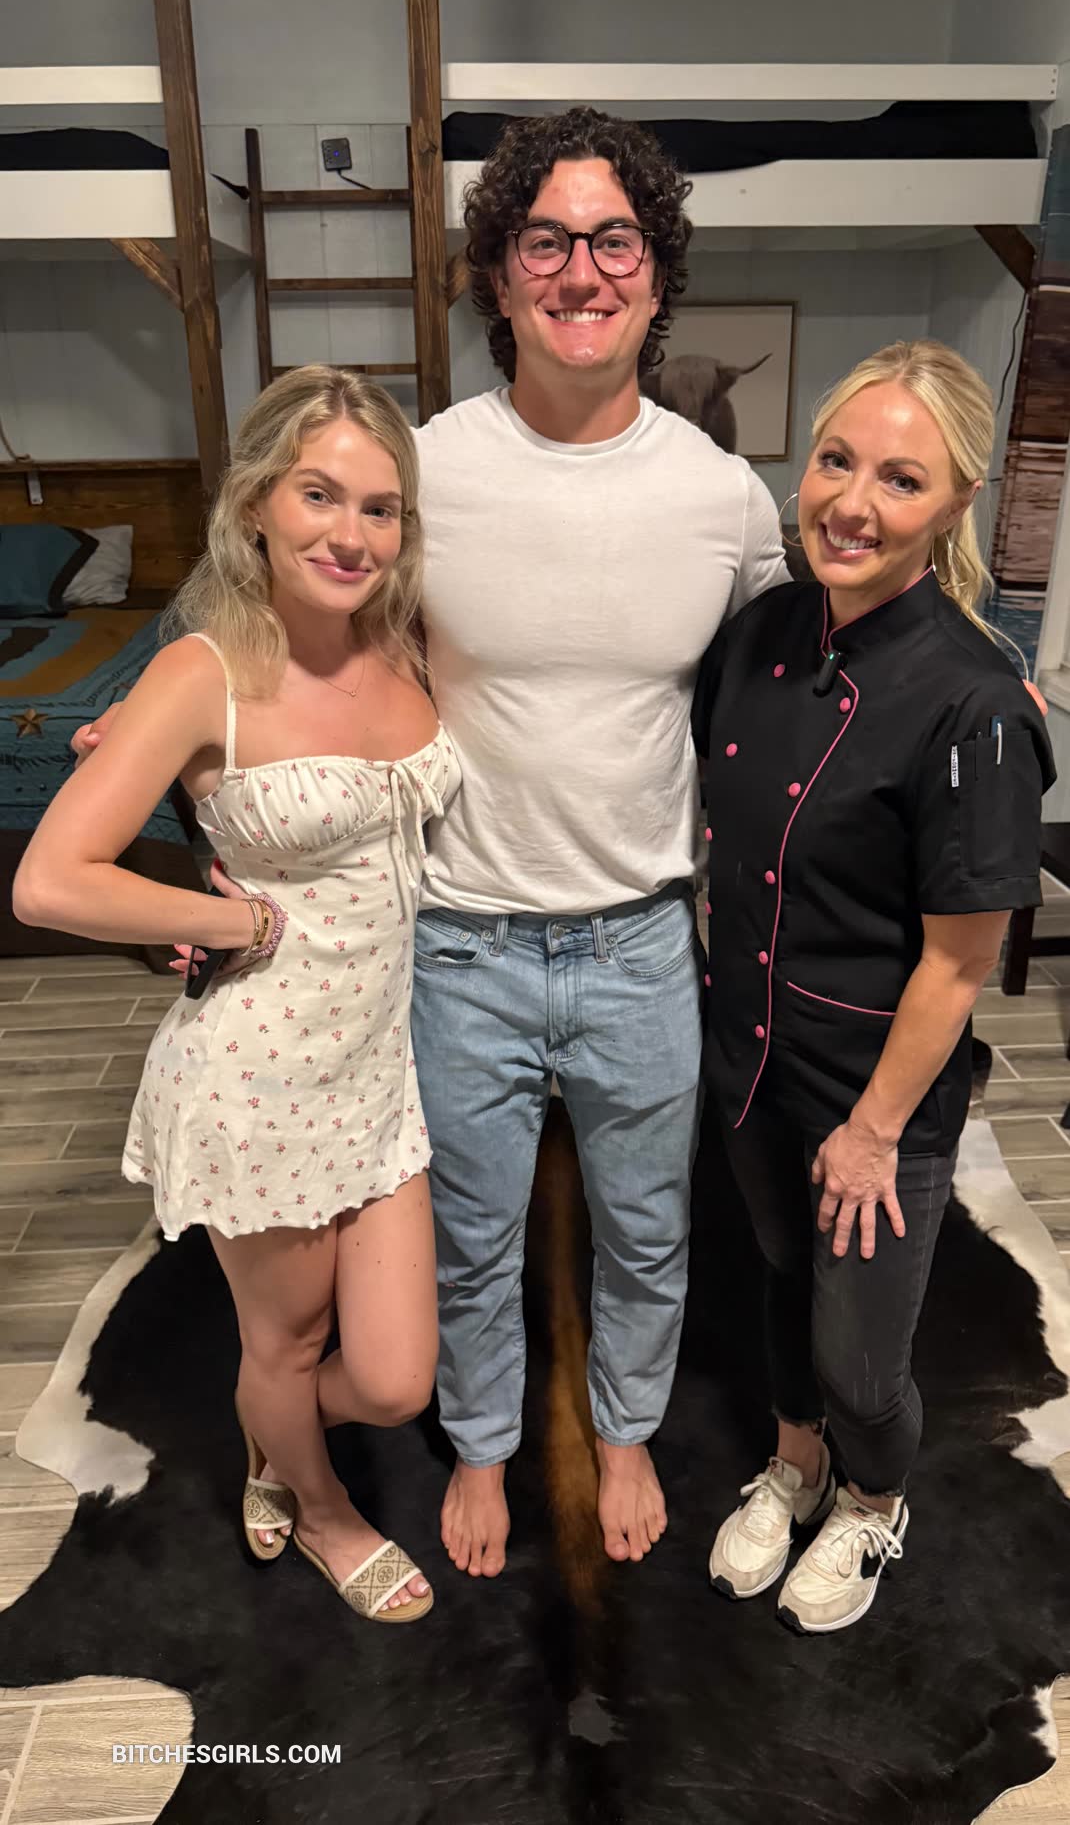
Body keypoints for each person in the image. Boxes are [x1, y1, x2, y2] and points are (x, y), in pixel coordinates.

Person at [72, 107, 792, 1579]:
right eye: (546, 239)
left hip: (643, 941)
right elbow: (272, 618)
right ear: (498, 273)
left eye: (614, 241)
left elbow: (796, 673)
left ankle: (626, 1429)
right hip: (456, 944)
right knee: (468, 1235)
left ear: (656, 274)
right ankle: (479, 1445)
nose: (580, 269)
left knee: (648, 1228)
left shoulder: (721, 497)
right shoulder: (423, 469)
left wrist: (960, 681)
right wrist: (150, 749)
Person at [20, 366, 459, 1624]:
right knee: (290, 1345)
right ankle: (317, 1505)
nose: (350, 534)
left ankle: (274, 1426)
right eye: (318, 495)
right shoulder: (201, 671)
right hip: (259, 1079)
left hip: (377, 1067)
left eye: (378, 508)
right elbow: (50, 880)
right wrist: (230, 917)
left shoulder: (401, 642)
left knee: (395, 1378)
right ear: (257, 502)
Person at [692, 340, 1054, 1635]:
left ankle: (868, 1499)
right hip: (748, 1054)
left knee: (859, 1352)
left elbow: (958, 960)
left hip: (874, 1093)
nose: (850, 503)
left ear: (954, 504)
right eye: (834, 461)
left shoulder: (974, 704)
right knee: (779, 1276)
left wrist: (871, 1130)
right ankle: (793, 1467)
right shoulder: (755, 636)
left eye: (899, 480)